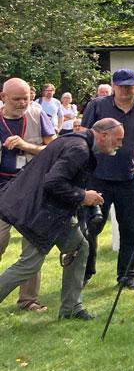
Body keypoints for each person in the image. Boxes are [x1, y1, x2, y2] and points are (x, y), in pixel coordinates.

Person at [0, 119, 126, 321]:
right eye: (118, 139)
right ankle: (71, 308)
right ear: (103, 135)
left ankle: (71, 308)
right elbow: (54, 182)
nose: (120, 144)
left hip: (49, 210)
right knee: (28, 265)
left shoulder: (72, 141)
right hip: (40, 212)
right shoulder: (79, 149)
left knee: (79, 248)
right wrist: (83, 196)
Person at [81, 69, 134, 289]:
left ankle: (127, 275)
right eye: (121, 85)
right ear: (113, 85)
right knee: (92, 227)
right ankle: (85, 272)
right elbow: (85, 137)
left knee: (131, 228)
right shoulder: (97, 105)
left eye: (130, 85)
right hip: (98, 176)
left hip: (130, 176)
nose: (126, 89)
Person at [0, 78, 57, 312]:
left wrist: (28, 146)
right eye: (17, 99)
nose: (23, 103)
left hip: (32, 189)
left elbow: (54, 149)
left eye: (26, 97)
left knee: (33, 245)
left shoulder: (38, 114)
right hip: (3, 190)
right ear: (3, 98)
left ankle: (28, 300)